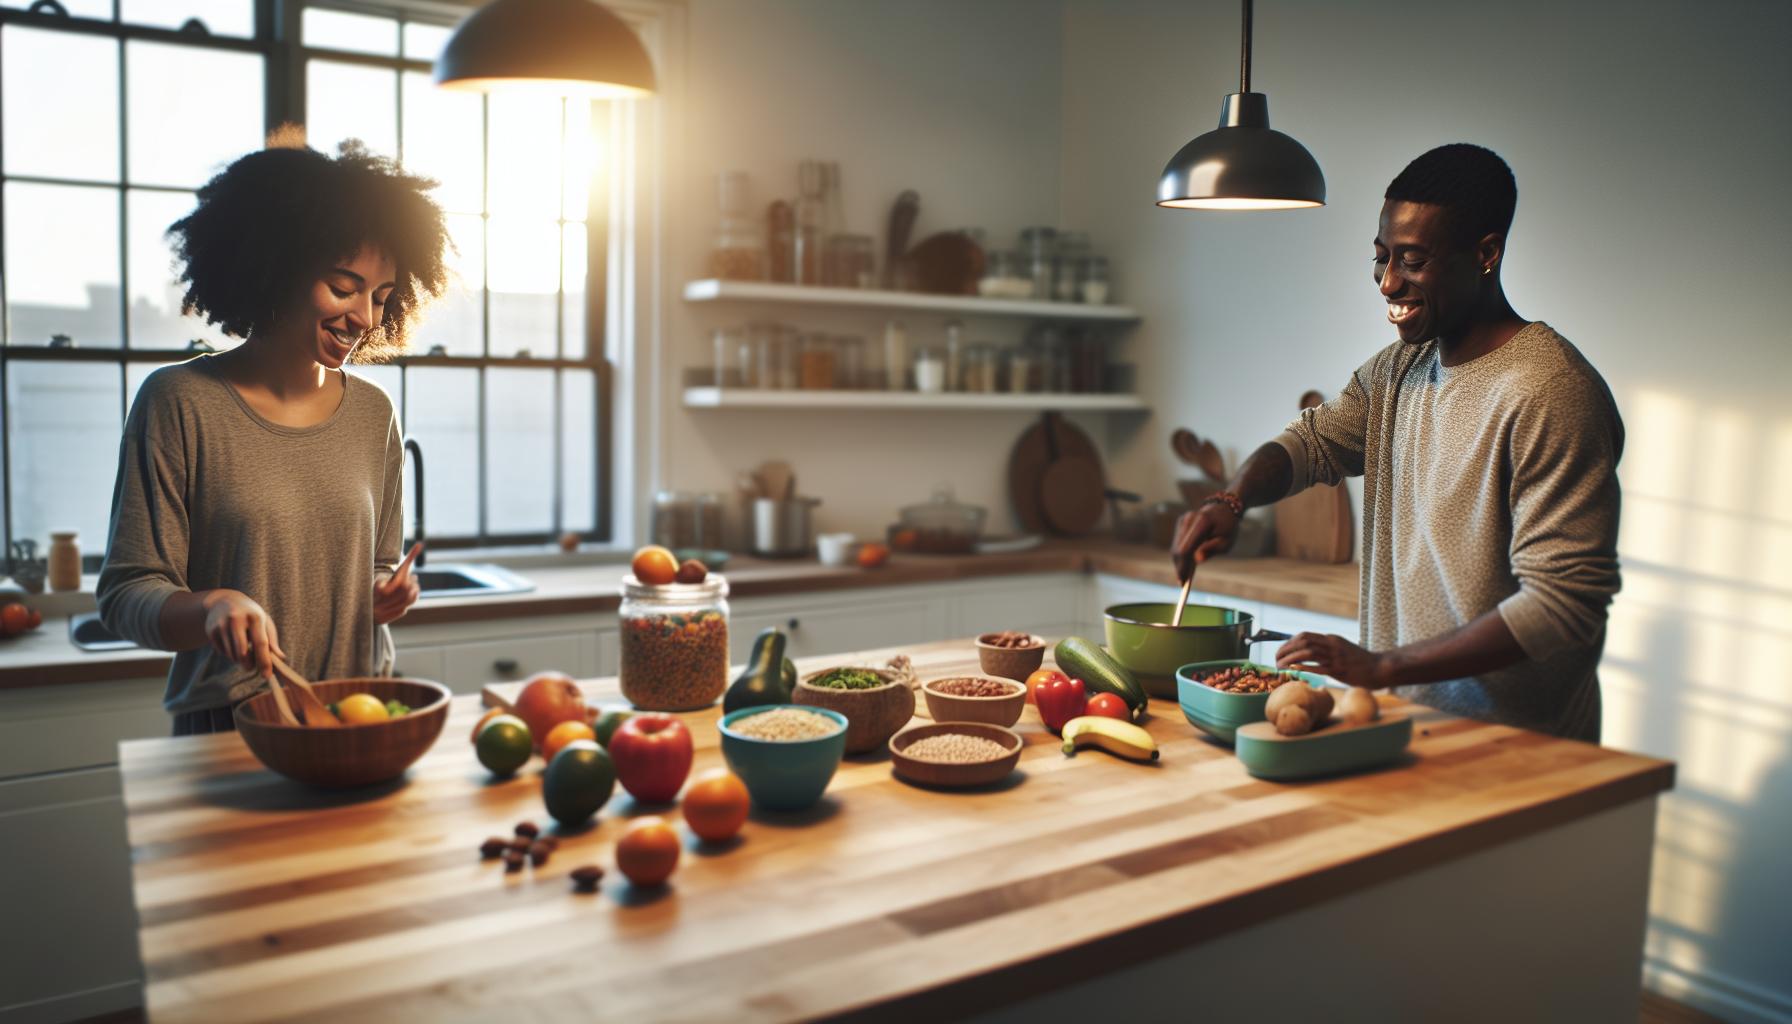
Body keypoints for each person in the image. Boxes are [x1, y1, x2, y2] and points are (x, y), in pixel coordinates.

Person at [1171, 144, 1623, 742]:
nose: (1388, 283)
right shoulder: (1397, 371)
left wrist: (1385, 666)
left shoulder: (1551, 392)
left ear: (1486, 253)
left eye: (1412, 260)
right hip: (1411, 728)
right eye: (1381, 257)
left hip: (1519, 749)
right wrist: (1229, 501)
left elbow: (1562, 604)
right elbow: (1312, 443)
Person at [97, 130, 450, 735]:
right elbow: (127, 593)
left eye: (381, 296)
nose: (364, 317)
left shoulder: (374, 414)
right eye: (343, 287)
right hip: (229, 729)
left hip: (358, 715)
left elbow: (372, 570)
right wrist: (212, 607)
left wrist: (381, 595)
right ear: (275, 268)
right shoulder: (179, 404)